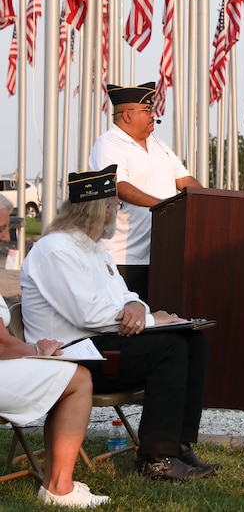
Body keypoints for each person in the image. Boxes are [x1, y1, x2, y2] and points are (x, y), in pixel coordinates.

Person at [20, 167, 218, 481]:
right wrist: (151, 321)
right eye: (116, 205)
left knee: (194, 340)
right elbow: (89, 315)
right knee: (169, 347)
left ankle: (178, 445)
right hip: (73, 355)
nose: (118, 212)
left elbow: (127, 297)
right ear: (102, 209)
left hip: (102, 343)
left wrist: (139, 307)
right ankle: (155, 458)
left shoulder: (96, 250)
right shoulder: (56, 249)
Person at [0, 195, 109, 508]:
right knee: (77, 378)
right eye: (2, 229)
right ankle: (59, 488)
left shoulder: (95, 250)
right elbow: (2, 344)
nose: (7, 237)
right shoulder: (56, 248)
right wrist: (38, 350)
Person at [89, 82, 201, 303]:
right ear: (128, 115)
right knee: (127, 320)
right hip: (124, 257)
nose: (153, 115)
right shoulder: (109, 145)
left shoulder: (159, 145)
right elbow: (119, 186)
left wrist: (206, 202)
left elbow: (184, 179)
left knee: (159, 317)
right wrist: (164, 206)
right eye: (147, 110)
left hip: (162, 253)